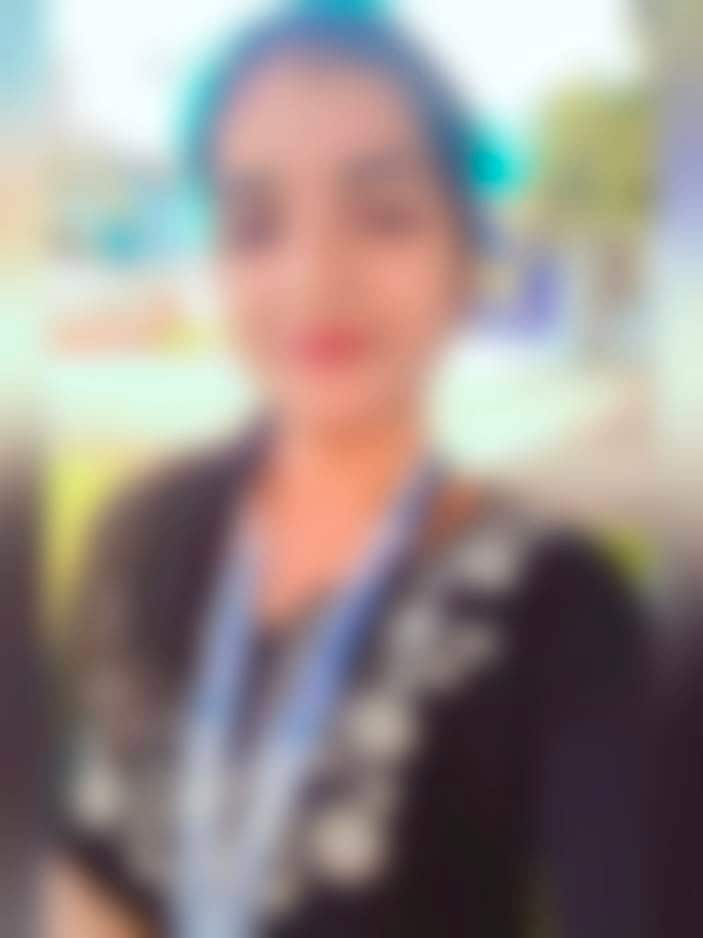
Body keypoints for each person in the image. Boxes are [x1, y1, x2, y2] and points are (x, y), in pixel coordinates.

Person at [46, 7, 648, 937]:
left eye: (382, 216)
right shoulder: (141, 534)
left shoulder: (563, 611)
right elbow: (78, 865)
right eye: (256, 225)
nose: (315, 277)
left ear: (464, 256)